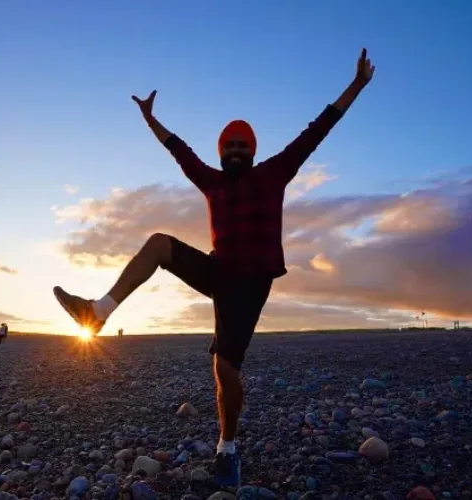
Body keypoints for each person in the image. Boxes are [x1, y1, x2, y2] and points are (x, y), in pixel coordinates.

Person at [53, 48, 375, 487]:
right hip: (219, 271)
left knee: (225, 369)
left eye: (243, 146)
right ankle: (98, 311)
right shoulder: (211, 181)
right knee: (159, 244)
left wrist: (356, 85)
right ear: (222, 152)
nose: (237, 151)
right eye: (230, 146)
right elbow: (179, 150)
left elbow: (319, 128)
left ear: (253, 152)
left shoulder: (275, 173)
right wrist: (150, 119)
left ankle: (228, 450)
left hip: (252, 280)